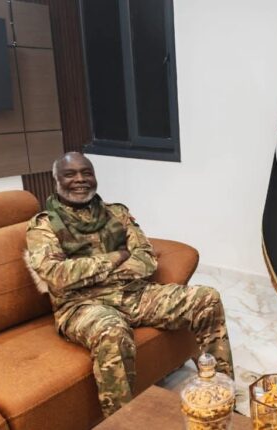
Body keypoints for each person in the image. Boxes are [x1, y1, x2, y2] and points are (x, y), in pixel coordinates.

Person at [25, 152, 233, 417]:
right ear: (56, 180)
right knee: (112, 330)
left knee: (207, 298)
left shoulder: (117, 213)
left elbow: (146, 260)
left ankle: (222, 394)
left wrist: (87, 272)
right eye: (70, 174)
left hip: (134, 294)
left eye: (86, 172)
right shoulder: (43, 226)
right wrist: (116, 257)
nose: (80, 179)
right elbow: (56, 275)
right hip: (81, 306)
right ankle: (123, 422)